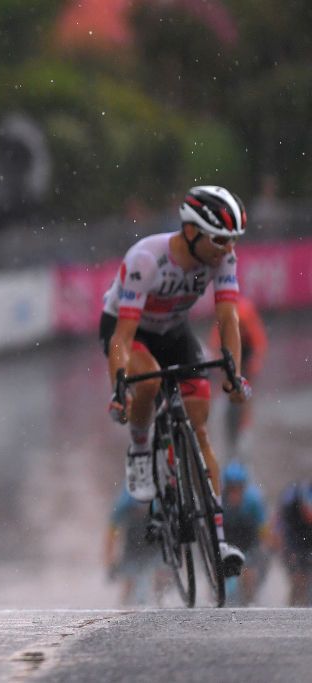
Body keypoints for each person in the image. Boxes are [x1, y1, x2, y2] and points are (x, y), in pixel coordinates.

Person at [100, 185, 252, 577]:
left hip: (174, 331)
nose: (226, 248)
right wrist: (120, 386)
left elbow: (228, 318)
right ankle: (138, 448)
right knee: (148, 385)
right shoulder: (146, 260)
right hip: (128, 330)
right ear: (190, 232)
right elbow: (122, 337)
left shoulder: (222, 258)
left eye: (232, 240)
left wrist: (234, 373)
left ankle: (217, 542)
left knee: (200, 426)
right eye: (219, 239)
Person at [208, 295, 267, 457]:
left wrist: (256, 360)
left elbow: (258, 339)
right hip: (229, 352)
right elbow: (216, 339)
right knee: (227, 389)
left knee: (247, 393)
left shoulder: (246, 312)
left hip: (246, 352)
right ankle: (225, 416)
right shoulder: (226, 313)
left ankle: (244, 428)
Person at [220, 461, 269, 605]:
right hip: (226, 543)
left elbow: (263, 530)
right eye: (231, 489)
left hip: (249, 543)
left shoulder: (253, 502)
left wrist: (264, 549)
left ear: (243, 488)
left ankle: (249, 602)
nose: (234, 493)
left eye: (238, 489)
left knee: (249, 575)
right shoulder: (219, 502)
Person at [104, 486, 162, 606]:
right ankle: (124, 605)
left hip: (155, 539)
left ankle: (159, 601)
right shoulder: (125, 503)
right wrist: (109, 560)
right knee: (129, 577)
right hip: (134, 542)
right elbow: (112, 532)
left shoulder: (157, 503)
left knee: (159, 573)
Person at [272, 481, 312, 606]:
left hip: (306, 542)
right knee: (299, 579)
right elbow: (280, 534)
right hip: (292, 542)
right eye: (307, 512)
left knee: (306, 579)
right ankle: (293, 605)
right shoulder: (290, 508)